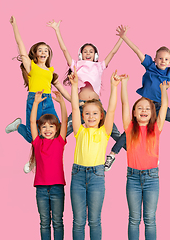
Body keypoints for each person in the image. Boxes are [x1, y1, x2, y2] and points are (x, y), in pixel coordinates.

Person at [110, 25, 170, 170]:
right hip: (146, 105)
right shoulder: (150, 66)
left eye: (166, 59)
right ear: (155, 59)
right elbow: (137, 51)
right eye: (160, 58)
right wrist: (124, 37)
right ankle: (112, 154)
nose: (163, 61)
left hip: (160, 106)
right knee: (131, 129)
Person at [47, 20, 126, 171]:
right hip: (81, 106)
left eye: (91, 51)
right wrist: (57, 30)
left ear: (95, 55)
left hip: (97, 105)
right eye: (85, 51)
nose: (88, 53)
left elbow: (113, 53)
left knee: (115, 132)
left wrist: (122, 38)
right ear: (80, 54)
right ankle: (42, 157)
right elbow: (63, 49)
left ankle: (137, 152)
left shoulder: (100, 66)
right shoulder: (76, 65)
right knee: (60, 133)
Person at [68, 70, 121, 240]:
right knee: (78, 221)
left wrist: (114, 87)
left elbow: (111, 110)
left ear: (101, 117)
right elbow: (75, 107)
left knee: (95, 221)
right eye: (87, 114)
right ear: (83, 116)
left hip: (97, 176)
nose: (91, 117)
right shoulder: (79, 130)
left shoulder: (104, 132)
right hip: (77, 176)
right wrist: (75, 85)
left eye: (95, 114)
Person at [5, 16, 71, 146]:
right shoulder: (31, 66)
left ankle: (40, 157)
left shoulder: (51, 71)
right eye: (40, 50)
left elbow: (63, 91)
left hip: (48, 101)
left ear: (48, 54)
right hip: (34, 99)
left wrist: (76, 102)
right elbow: (20, 44)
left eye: (46, 50)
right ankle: (18, 126)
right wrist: (14, 25)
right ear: (35, 53)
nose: (43, 52)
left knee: (56, 130)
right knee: (32, 136)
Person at [120, 71, 169, 240]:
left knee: (149, 219)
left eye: (147, 108)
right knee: (134, 219)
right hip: (132, 177)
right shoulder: (129, 127)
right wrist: (124, 84)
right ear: (134, 113)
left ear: (152, 113)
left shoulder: (156, 128)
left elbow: (163, 107)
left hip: (151, 178)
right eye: (140, 108)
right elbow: (125, 104)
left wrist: (163, 90)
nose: (144, 110)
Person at [28, 90, 68, 240]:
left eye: (51, 126)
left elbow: (64, 121)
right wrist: (36, 103)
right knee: (44, 222)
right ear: (40, 130)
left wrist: (62, 103)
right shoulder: (37, 142)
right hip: (41, 189)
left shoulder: (60, 142)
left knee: (57, 222)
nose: (47, 129)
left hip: (57, 187)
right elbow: (32, 122)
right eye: (44, 127)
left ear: (56, 129)